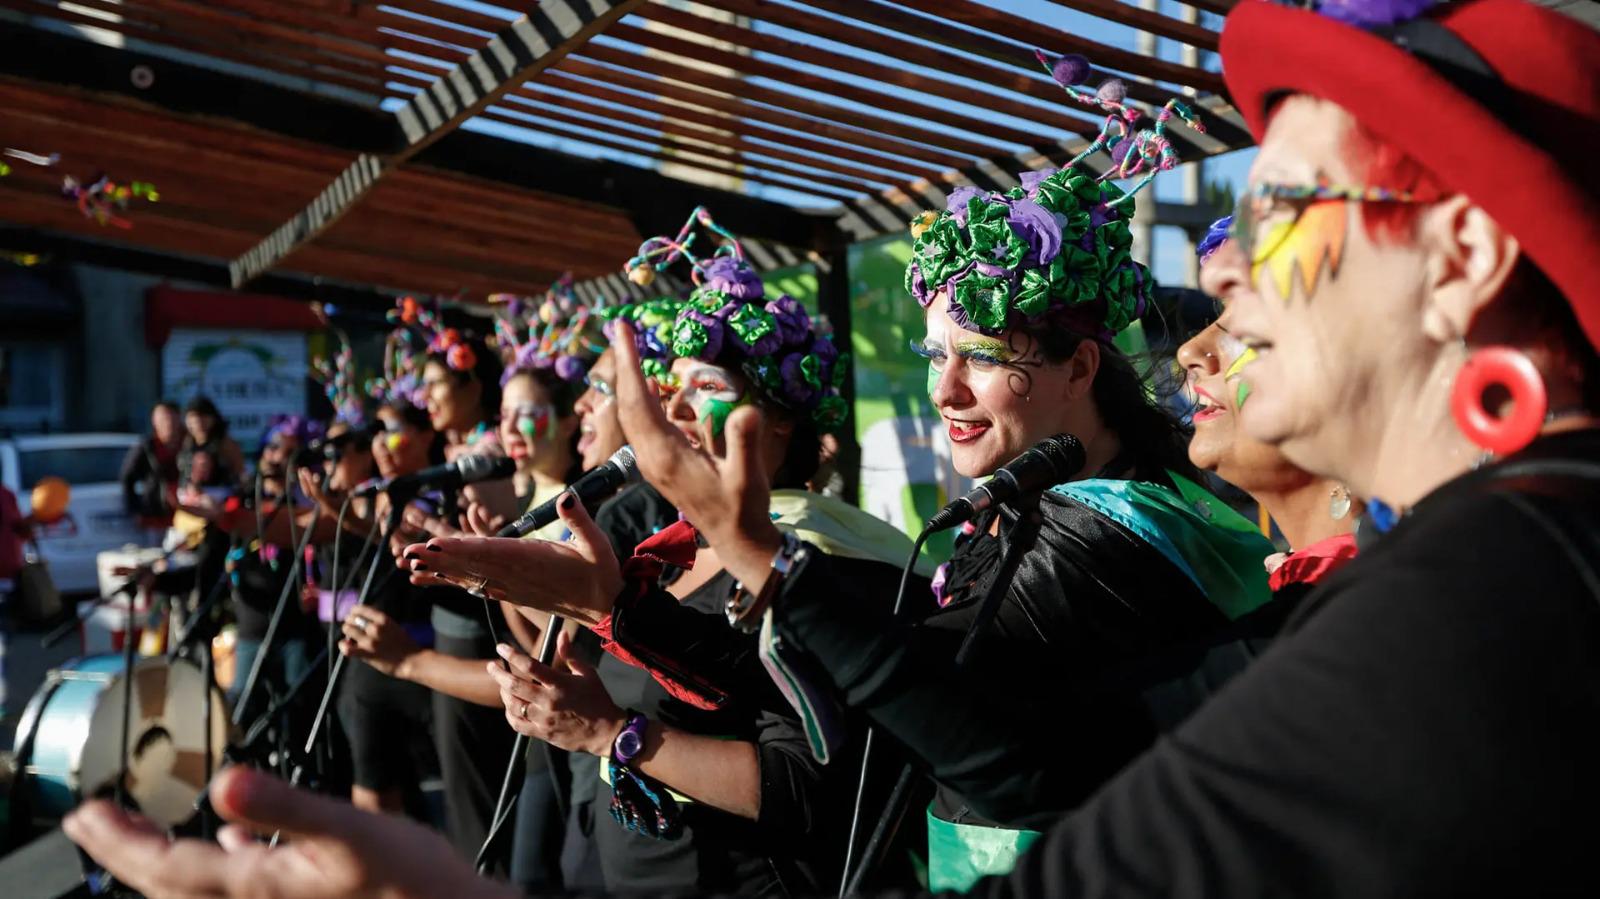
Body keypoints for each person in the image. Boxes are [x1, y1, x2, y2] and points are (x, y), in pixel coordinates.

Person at [409, 225, 914, 896]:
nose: (669, 408)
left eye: (700, 384)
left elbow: (809, 783)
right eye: (665, 388)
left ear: (780, 419)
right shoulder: (672, 556)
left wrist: (612, 733)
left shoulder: (818, 558)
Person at [120, 400, 182, 536]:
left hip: (187, 515)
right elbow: (127, 478)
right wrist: (135, 510)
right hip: (155, 516)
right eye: (163, 418)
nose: (168, 423)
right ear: (154, 422)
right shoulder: (146, 447)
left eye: (172, 417)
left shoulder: (188, 445)